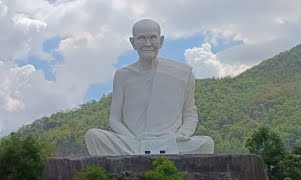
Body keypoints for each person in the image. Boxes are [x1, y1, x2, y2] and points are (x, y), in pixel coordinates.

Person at [85, 19, 214, 156]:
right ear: (132, 42)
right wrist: (135, 139)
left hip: (171, 142)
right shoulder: (123, 75)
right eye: (141, 38)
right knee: (93, 136)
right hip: (135, 142)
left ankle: (141, 156)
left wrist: (182, 134)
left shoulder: (182, 74)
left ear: (161, 40)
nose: (147, 44)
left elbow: (190, 113)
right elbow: (114, 119)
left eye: (153, 37)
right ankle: (141, 153)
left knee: (206, 143)